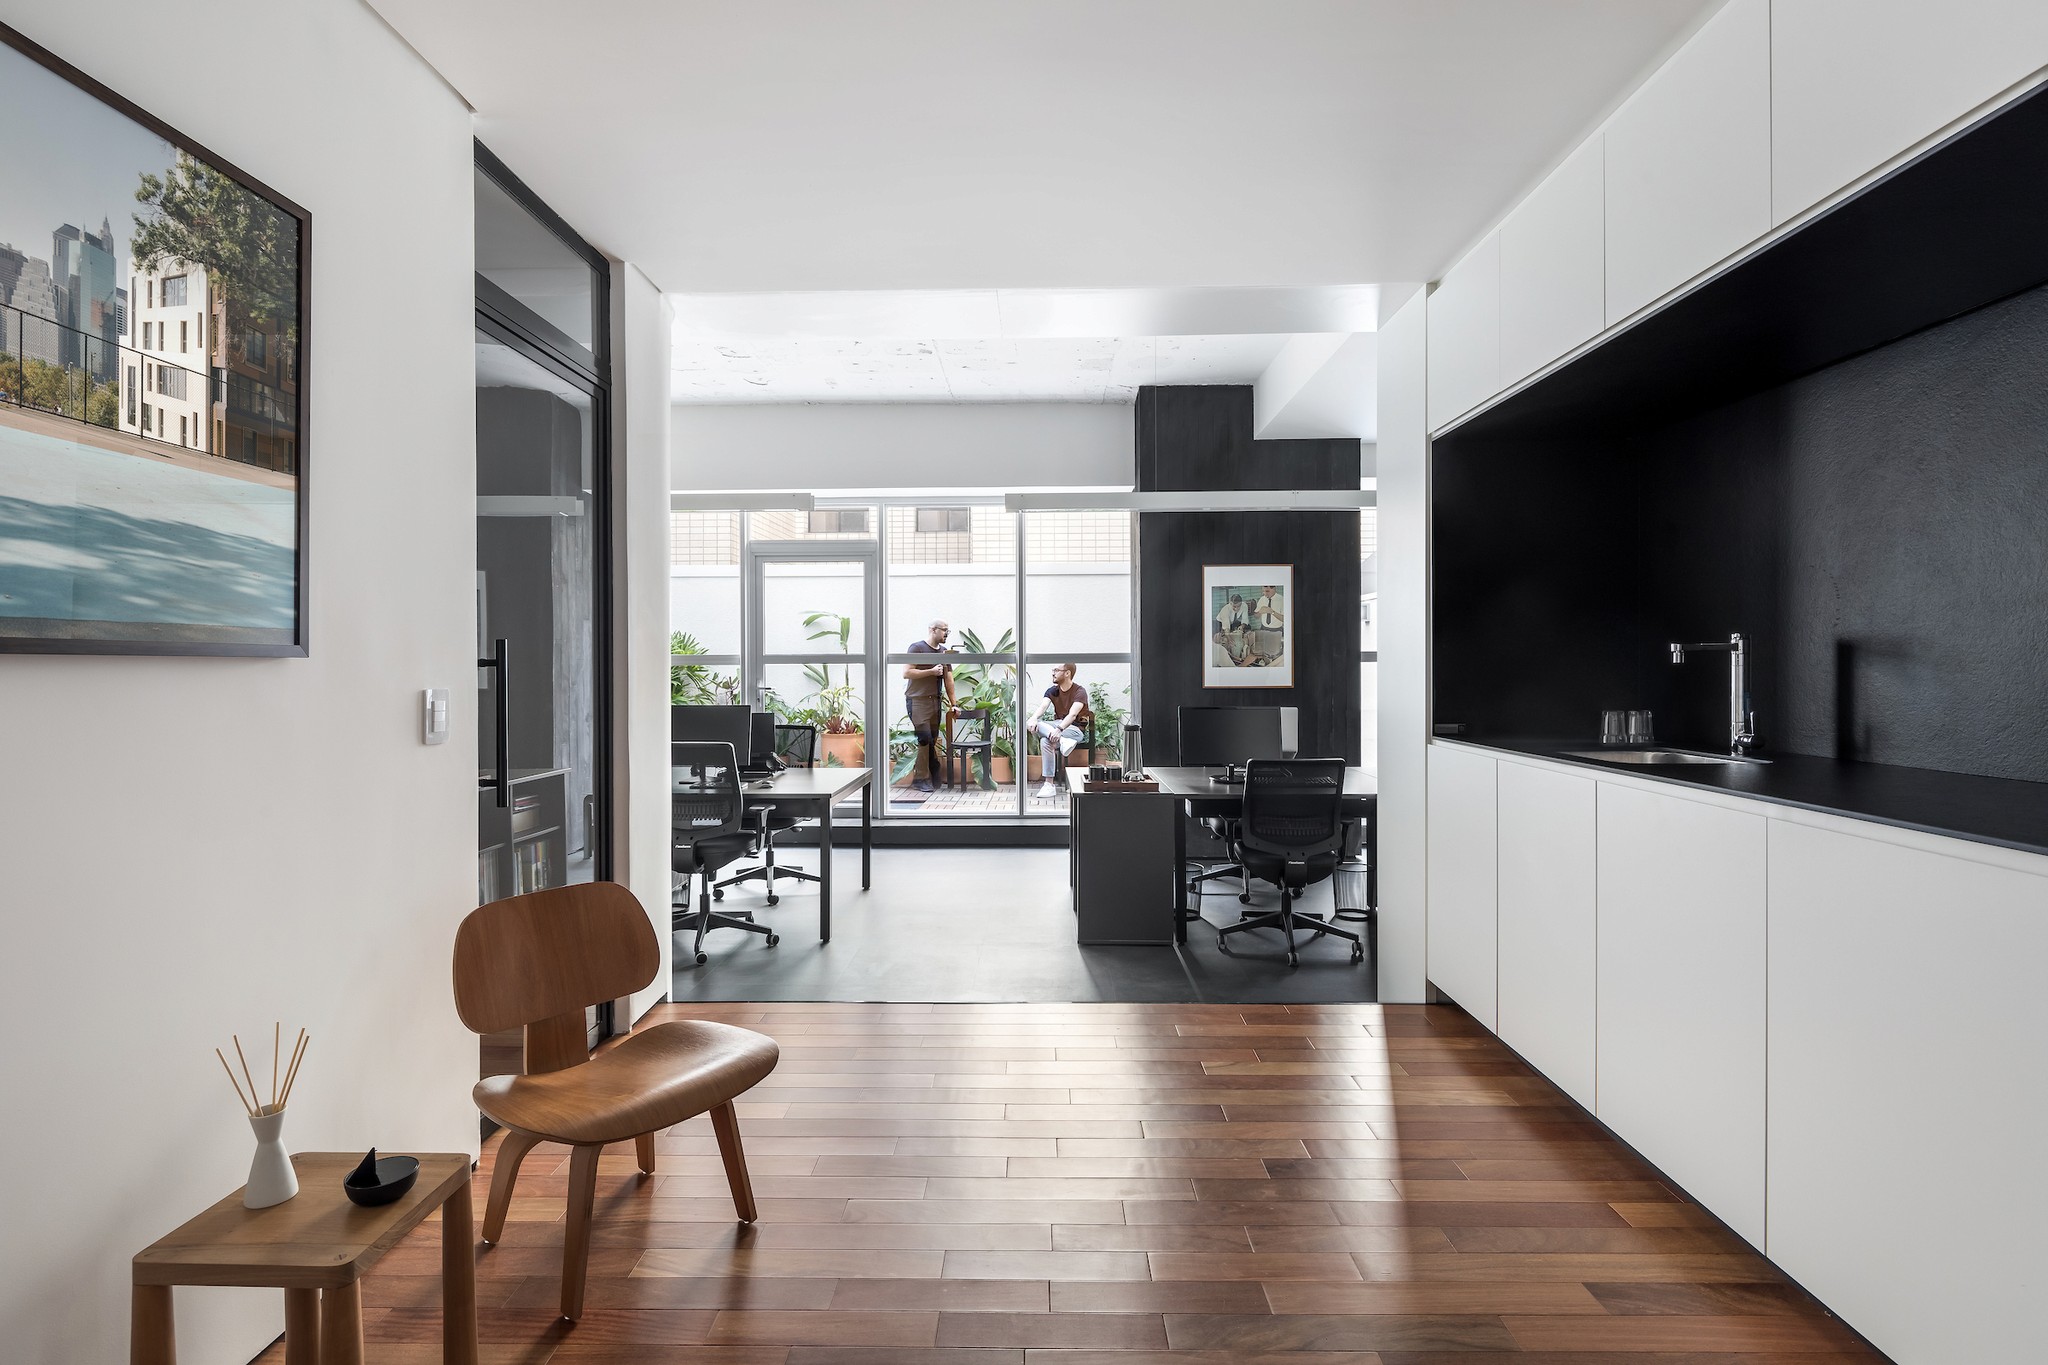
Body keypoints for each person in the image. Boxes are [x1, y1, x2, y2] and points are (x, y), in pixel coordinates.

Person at [902, 618, 956, 792]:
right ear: (933, 629)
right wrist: (931, 672)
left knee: (931, 738)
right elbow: (907, 672)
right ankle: (921, 778)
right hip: (917, 700)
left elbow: (949, 679)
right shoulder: (917, 648)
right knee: (924, 738)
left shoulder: (944, 652)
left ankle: (932, 771)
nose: (947, 633)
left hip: (935, 701)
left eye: (948, 630)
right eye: (944, 630)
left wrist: (954, 704)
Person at [1029, 662, 1091, 799]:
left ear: (1067, 673)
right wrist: (1033, 718)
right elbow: (1043, 707)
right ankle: (1049, 785)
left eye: (1056, 670)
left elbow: (1072, 715)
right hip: (1057, 728)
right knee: (1038, 732)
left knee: (1045, 738)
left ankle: (1049, 784)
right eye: (1053, 670)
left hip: (1074, 730)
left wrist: (1059, 729)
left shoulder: (1079, 691)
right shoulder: (1053, 691)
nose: (1053, 673)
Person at [1213, 592, 1251, 665]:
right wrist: (1229, 639)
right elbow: (1226, 626)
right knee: (1224, 639)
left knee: (1247, 627)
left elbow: (1245, 619)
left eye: (1238, 606)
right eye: (1234, 606)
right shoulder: (1225, 609)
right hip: (1220, 623)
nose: (1236, 608)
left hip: (1232, 621)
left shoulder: (1244, 605)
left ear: (1241, 603)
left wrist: (1242, 626)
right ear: (1230, 603)